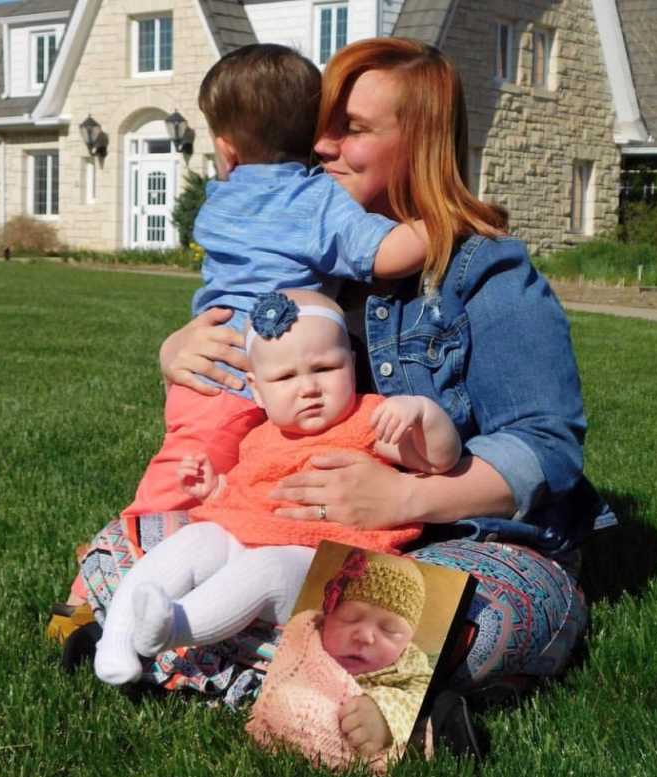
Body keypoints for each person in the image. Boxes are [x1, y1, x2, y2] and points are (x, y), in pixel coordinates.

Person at [70, 37, 612, 697]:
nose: (320, 146)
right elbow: (249, 404)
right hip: (293, 537)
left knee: (495, 614)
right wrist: (178, 355)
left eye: (349, 130)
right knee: (135, 540)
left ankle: (207, 655)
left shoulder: (487, 271)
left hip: (448, 540)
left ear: (419, 143)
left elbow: (548, 447)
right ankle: (340, 684)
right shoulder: (308, 266)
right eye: (320, 128)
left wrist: (406, 498)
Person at [118, 43, 429, 524]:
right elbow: (389, 254)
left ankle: (162, 567)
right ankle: (117, 581)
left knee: (201, 481)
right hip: (239, 378)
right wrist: (448, 221)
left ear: (226, 149)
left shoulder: (221, 197)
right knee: (176, 494)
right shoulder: (312, 199)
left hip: (210, 367)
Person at [93, 290, 461, 686]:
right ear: (256, 388)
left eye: (325, 368)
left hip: (326, 566)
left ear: (352, 365)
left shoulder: (369, 419)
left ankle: (173, 629)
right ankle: (116, 639)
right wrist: (215, 490)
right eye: (285, 377)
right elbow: (250, 494)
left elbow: (440, 458)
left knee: (266, 568)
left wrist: (424, 415)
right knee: (195, 539)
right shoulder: (262, 434)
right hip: (251, 541)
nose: (308, 388)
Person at [247, 548, 432, 773]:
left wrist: (385, 715)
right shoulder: (307, 636)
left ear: (407, 642)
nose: (365, 636)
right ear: (328, 616)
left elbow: (420, 698)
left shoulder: (409, 665)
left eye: (389, 630)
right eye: (350, 618)